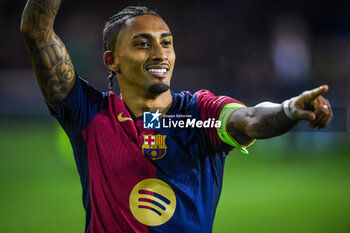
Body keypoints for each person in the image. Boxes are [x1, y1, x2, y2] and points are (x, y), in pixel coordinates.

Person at [20, 1, 333, 233]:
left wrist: (289, 109)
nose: (160, 53)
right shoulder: (88, 113)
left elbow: (251, 118)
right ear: (112, 60)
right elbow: (36, 32)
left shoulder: (200, 113)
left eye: (166, 42)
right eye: (143, 44)